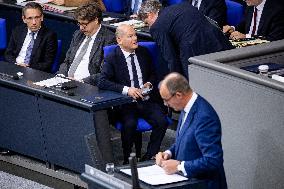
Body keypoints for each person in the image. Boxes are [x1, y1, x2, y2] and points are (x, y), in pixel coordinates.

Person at [98, 24, 168, 164]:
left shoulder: (144, 52)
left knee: (162, 121)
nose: (135, 38)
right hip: (125, 102)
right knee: (129, 124)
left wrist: (149, 83)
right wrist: (127, 90)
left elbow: (153, 74)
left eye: (135, 35)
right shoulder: (112, 57)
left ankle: (149, 156)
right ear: (119, 40)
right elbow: (102, 82)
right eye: (130, 36)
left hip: (146, 99)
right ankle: (128, 160)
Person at [156, 72, 227, 189]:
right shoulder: (186, 107)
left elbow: (213, 160)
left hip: (204, 185)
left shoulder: (204, 116)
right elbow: (185, 140)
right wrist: (168, 153)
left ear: (178, 95)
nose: (166, 104)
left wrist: (179, 166)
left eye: (166, 100)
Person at [138, 1, 233, 78]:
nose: (149, 27)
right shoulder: (182, 5)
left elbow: (170, 57)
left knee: (201, 86)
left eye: (147, 23)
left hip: (194, 52)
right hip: (216, 40)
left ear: (150, 14)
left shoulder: (157, 26)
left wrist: (175, 82)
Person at [58, 3, 115, 85]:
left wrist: (82, 81)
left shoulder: (109, 39)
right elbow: (67, 61)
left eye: (84, 24)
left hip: (88, 85)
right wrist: (61, 76)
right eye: (79, 23)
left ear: (96, 20)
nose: (81, 28)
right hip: (66, 82)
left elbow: (105, 73)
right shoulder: (78, 34)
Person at [4, 2, 57, 73]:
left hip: (34, 72)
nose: (34, 22)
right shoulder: (17, 30)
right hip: (15, 67)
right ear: (24, 19)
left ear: (42, 17)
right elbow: (8, 54)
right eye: (30, 18)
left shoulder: (49, 35)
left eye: (37, 17)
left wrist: (27, 67)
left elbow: (47, 63)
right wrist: (16, 64)